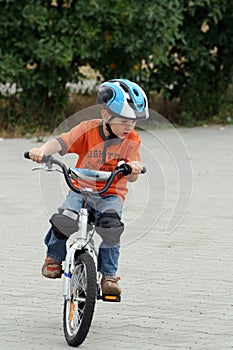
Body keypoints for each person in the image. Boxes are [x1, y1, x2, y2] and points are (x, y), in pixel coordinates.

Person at [29, 78, 149, 296]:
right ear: (105, 115)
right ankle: (54, 258)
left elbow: (133, 175)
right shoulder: (88, 129)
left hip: (110, 194)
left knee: (111, 228)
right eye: (123, 120)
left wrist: (134, 168)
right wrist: (43, 150)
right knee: (65, 218)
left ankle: (109, 276)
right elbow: (62, 141)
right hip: (80, 189)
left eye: (132, 121)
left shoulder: (132, 138)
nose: (128, 126)